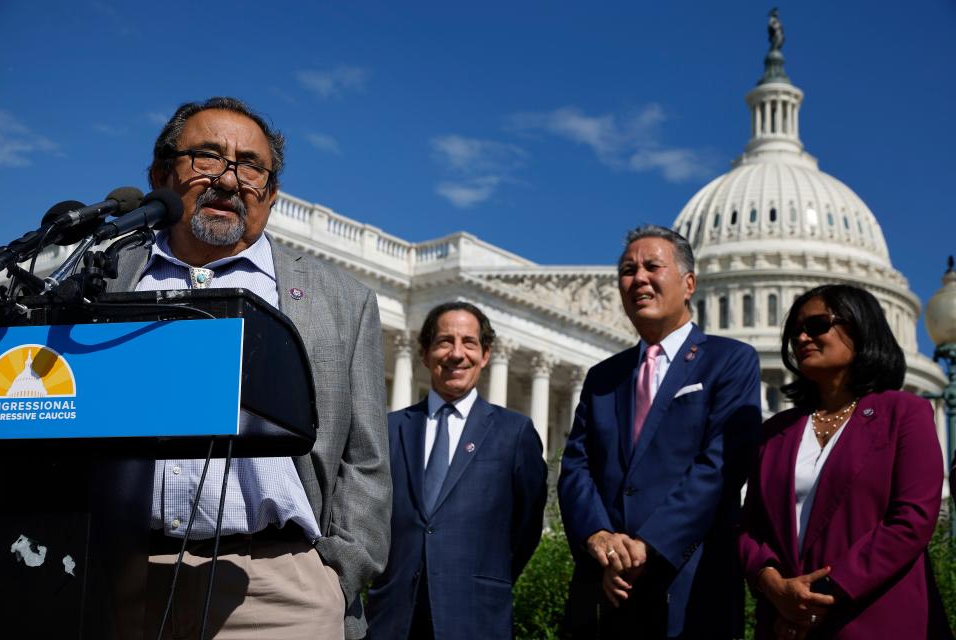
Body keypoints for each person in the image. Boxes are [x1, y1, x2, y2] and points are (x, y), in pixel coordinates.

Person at [109, 97, 390, 639]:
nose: (230, 180)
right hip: (117, 573)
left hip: (277, 587)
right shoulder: (107, 276)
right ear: (161, 176)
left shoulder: (340, 299)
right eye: (207, 158)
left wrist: (339, 571)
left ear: (272, 193)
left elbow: (367, 456)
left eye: (251, 166)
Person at [558, 225, 762, 639]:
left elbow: (720, 466)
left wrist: (649, 546)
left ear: (689, 284)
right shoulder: (603, 376)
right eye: (628, 270)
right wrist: (598, 537)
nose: (639, 279)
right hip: (605, 587)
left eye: (653, 266)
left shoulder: (730, 360)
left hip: (689, 583)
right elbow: (576, 466)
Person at [737, 284, 951, 639]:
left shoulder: (903, 413)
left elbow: (911, 519)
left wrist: (819, 596)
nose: (802, 337)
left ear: (859, 327)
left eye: (818, 325)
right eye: (795, 330)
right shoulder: (776, 432)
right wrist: (772, 582)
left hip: (873, 617)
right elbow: (749, 528)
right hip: (784, 623)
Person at [366, 301, 548, 640]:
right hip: (394, 617)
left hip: (476, 616)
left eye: (469, 342)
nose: (456, 353)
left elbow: (526, 527)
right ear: (425, 353)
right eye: (444, 341)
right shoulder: (389, 429)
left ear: (485, 354)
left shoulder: (515, 433)